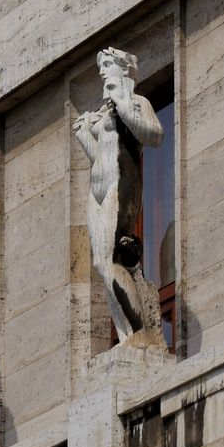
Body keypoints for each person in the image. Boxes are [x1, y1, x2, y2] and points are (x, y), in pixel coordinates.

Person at [74, 48, 166, 346]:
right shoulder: (103, 113)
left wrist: (124, 107)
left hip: (121, 184)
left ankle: (140, 332)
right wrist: (84, 135)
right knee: (101, 265)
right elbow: (98, 155)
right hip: (97, 190)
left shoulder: (136, 102)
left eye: (108, 65)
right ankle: (126, 335)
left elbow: (155, 135)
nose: (102, 72)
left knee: (109, 260)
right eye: (101, 66)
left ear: (124, 69)